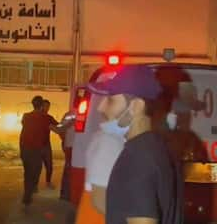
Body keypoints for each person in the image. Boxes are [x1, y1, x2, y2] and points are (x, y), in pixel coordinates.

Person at [96, 66, 183, 224]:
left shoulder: (136, 159)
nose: (100, 107)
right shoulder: (161, 149)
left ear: (136, 106)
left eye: (110, 100)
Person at [75, 93, 125, 224]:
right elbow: (100, 200)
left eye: (109, 100)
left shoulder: (112, 139)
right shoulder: (109, 141)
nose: (100, 107)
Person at [19, 96, 58, 208]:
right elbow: (58, 128)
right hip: (36, 150)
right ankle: (28, 195)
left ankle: (27, 195)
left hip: (25, 148)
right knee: (35, 171)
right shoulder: (46, 118)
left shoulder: (26, 116)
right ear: (42, 106)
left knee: (28, 172)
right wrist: (69, 123)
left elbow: (25, 127)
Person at [41, 99, 59, 189]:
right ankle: (33, 185)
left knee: (49, 165)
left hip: (46, 145)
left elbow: (58, 126)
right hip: (36, 146)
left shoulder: (49, 118)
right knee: (36, 167)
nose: (47, 108)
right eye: (45, 106)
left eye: (48, 106)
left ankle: (48, 182)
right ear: (41, 106)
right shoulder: (34, 117)